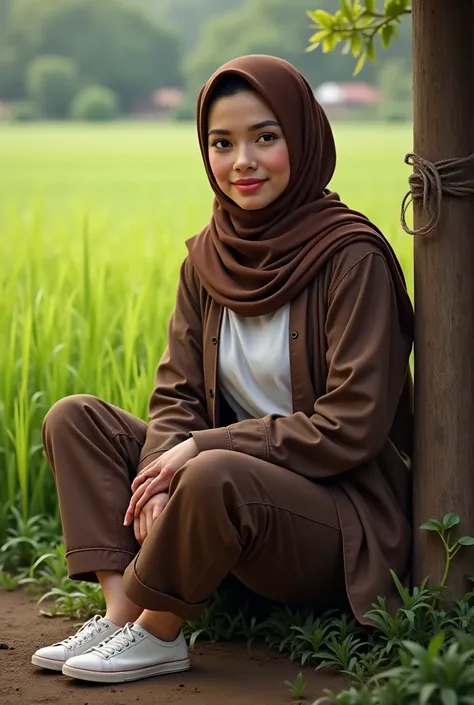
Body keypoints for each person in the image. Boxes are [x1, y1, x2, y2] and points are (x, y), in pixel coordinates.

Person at [31, 54, 414, 685]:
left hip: (330, 523)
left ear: (303, 136)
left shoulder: (352, 258)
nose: (243, 161)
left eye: (266, 136)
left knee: (211, 470)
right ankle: (128, 609)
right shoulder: (207, 261)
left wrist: (198, 451)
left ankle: (160, 634)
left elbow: (352, 425)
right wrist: (159, 474)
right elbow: (175, 396)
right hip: (225, 503)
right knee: (76, 418)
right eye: (222, 142)